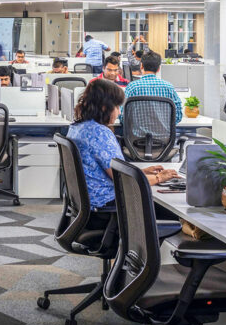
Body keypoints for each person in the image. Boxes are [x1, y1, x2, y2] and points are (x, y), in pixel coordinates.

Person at [66, 78, 179, 232]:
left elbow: (108, 169)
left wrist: (143, 172)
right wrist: (159, 178)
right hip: (109, 210)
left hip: (89, 210)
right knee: (173, 212)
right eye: (117, 107)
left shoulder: (78, 128)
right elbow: (123, 178)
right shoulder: (100, 133)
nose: (119, 112)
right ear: (105, 107)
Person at [122, 51, 183, 124]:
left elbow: (123, 116)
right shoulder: (169, 87)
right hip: (164, 135)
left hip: (136, 135)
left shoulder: (132, 87)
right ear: (158, 69)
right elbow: (178, 116)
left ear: (141, 66)